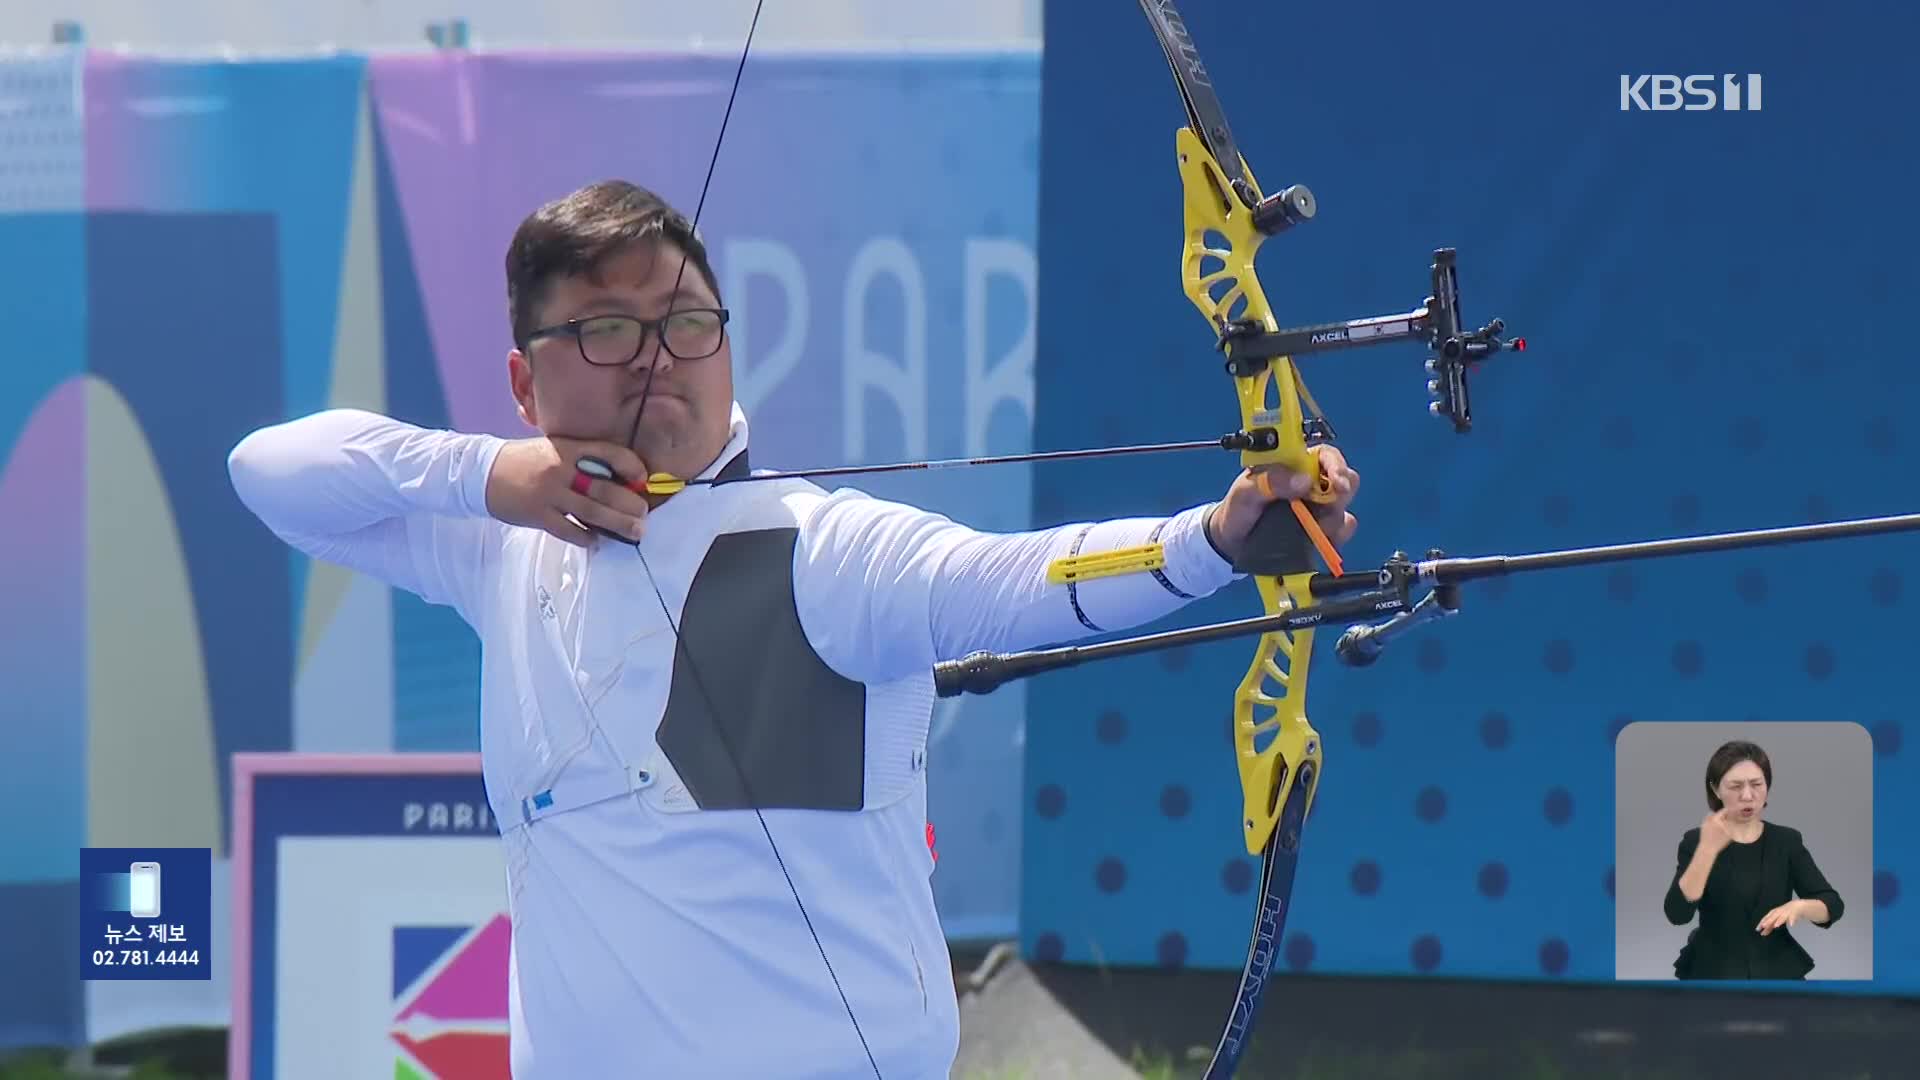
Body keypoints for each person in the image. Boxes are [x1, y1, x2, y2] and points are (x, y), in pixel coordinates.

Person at [226, 179, 1361, 1078]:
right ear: (526, 386)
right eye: (609, 330)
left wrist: (1214, 537)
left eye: (686, 323)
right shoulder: (501, 547)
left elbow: (1017, 578)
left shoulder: (819, 549)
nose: (660, 356)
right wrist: (491, 476)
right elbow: (269, 472)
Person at [1662, 739, 1844, 980]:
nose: (1747, 796)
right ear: (1716, 789)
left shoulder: (1786, 841)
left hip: (1778, 969)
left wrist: (1799, 907)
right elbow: (1677, 914)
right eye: (1735, 786)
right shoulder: (1696, 841)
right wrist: (1707, 850)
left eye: (1757, 784)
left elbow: (1832, 904)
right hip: (1713, 970)